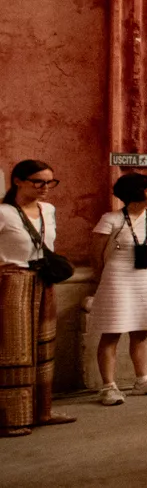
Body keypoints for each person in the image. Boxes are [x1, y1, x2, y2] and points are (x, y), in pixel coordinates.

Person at [1, 160, 74, 436]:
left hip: (43, 282)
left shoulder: (48, 210)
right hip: (12, 283)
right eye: (38, 182)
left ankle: (42, 411)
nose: (45, 188)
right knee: (13, 351)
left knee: (43, 348)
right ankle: (11, 417)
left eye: (50, 182)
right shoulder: (4, 212)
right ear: (18, 181)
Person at [88, 172, 147, 406]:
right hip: (117, 277)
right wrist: (99, 279)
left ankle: (143, 380)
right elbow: (96, 254)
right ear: (135, 192)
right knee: (111, 332)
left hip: (146, 276)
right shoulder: (111, 219)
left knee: (142, 330)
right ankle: (108, 387)